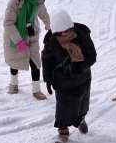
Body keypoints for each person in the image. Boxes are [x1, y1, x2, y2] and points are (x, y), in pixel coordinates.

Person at [42, 10, 97, 142]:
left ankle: (80, 119)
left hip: (82, 78)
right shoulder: (51, 42)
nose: (65, 33)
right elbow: (47, 62)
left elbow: (92, 56)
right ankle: (63, 130)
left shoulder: (81, 35)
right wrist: (48, 80)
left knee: (82, 103)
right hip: (63, 81)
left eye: (67, 30)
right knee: (63, 106)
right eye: (61, 32)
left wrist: (80, 67)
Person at [3, 0, 51, 100]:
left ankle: (36, 90)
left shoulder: (38, 1)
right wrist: (18, 41)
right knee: (15, 61)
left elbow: (43, 12)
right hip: (15, 37)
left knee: (35, 62)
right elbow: (8, 23)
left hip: (32, 35)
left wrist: (47, 22)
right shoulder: (14, 2)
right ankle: (13, 84)